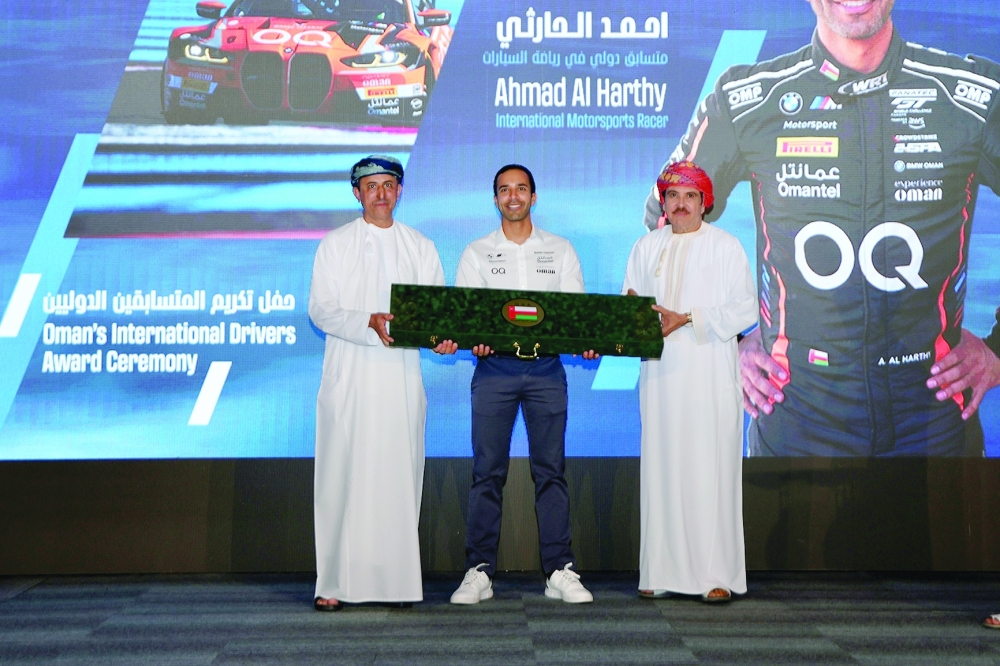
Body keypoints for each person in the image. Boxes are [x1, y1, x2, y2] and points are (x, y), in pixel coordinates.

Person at [642, 0, 1000, 456]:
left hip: (934, 438)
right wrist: (721, 340)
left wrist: (998, 350)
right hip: (796, 435)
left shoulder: (975, 96)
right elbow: (663, 223)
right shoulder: (747, 100)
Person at [308, 155, 456, 611]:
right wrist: (365, 321)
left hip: (399, 381)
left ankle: (397, 585)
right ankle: (332, 583)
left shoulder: (420, 246)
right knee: (340, 477)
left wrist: (442, 340)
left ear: (399, 190)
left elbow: (435, 315)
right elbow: (321, 310)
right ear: (357, 193)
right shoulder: (334, 244)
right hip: (348, 378)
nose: (380, 194)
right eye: (371, 186)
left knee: (398, 475)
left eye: (389, 185)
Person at [449, 164, 596, 605]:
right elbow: (466, 318)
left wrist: (585, 342)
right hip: (494, 371)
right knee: (486, 473)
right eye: (504, 190)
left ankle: (559, 570)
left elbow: (573, 316)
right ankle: (478, 572)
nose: (513, 197)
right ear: (495, 199)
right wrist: (471, 338)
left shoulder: (561, 249)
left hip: (546, 370)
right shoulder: (476, 252)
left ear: (534, 196)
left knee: (550, 472)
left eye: (521, 189)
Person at [625, 161, 757, 602]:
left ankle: (715, 575)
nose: (680, 204)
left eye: (690, 196)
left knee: (709, 469)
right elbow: (632, 303)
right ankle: (660, 571)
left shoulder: (725, 246)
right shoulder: (646, 246)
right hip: (659, 374)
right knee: (662, 466)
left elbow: (746, 310)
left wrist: (688, 318)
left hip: (709, 372)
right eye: (673, 196)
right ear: (663, 202)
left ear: (705, 203)